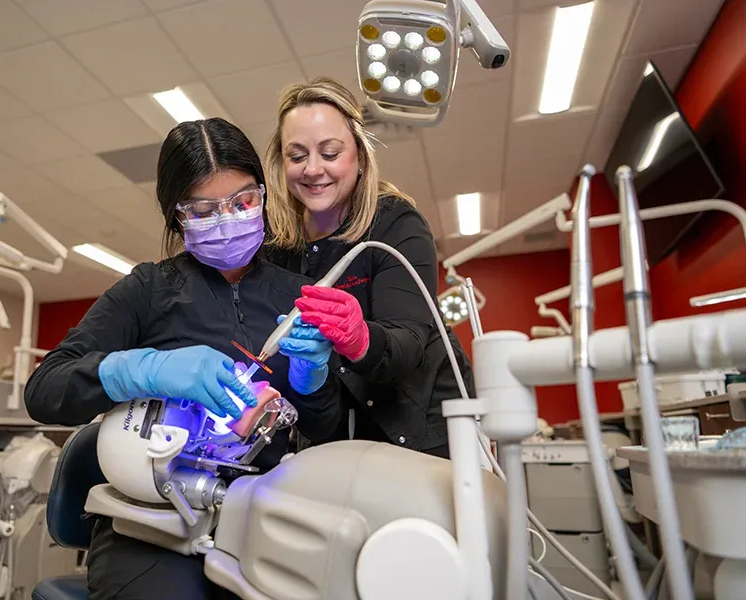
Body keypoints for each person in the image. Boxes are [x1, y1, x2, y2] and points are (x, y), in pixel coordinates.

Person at [25, 117, 342, 600]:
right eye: (202, 209)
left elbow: (325, 429)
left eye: (242, 201)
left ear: (263, 195)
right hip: (151, 527)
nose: (226, 220)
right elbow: (45, 390)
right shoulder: (148, 290)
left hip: (263, 519)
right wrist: (138, 369)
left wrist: (313, 377)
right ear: (177, 216)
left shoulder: (296, 296)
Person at [264, 76, 475, 458]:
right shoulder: (280, 247)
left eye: (329, 152)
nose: (312, 169)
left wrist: (361, 339)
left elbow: (408, 342)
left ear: (360, 156)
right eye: (297, 156)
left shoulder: (395, 225)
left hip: (423, 426)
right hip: (337, 437)